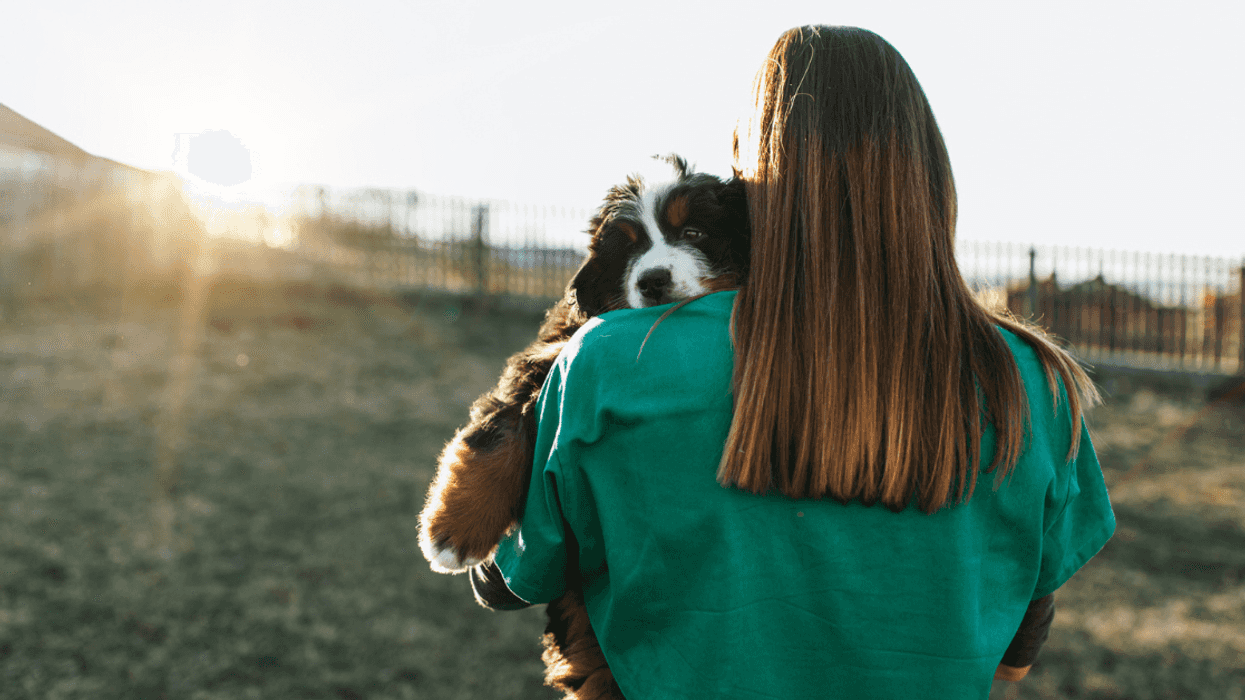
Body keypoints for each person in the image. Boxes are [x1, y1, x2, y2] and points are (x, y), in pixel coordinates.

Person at [471, 25, 1115, 699]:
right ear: (929, 176)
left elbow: (505, 580)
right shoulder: (1030, 380)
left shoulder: (612, 357)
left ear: (748, 174)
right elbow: (1015, 653)